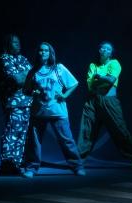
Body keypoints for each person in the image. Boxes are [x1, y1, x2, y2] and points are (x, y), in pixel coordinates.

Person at [22, 42, 85, 178]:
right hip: (39, 111)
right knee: (34, 142)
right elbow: (25, 90)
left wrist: (64, 95)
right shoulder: (33, 71)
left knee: (67, 140)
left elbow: (74, 83)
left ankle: (77, 167)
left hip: (57, 111)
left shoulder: (59, 68)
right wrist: (33, 92)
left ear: (50, 53)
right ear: (37, 53)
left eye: (46, 50)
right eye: (40, 50)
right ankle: (31, 168)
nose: (43, 52)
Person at [77, 41, 132, 168]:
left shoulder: (114, 63)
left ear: (111, 53)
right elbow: (91, 86)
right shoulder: (93, 65)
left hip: (109, 101)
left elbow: (111, 80)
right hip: (92, 101)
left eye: (108, 49)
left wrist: (99, 78)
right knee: (87, 130)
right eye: (103, 48)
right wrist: (103, 79)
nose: (105, 50)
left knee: (119, 129)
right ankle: (79, 160)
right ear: (99, 50)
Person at [0, 34, 32, 174]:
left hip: (27, 102)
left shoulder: (23, 59)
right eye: (14, 42)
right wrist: (27, 73)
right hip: (13, 103)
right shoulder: (4, 58)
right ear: (8, 44)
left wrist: (26, 74)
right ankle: (7, 163)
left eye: (19, 42)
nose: (18, 44)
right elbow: (17, 80)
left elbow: (33, 76)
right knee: (12, 133)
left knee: (22, 134)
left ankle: (15, 164)